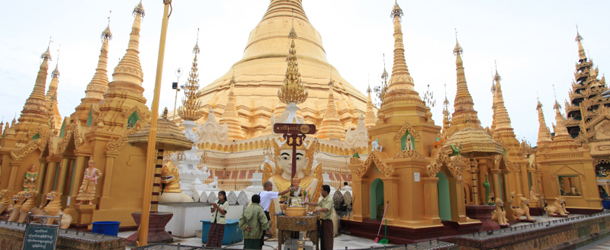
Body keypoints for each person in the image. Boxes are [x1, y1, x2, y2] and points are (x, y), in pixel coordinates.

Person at [259, 181, 296, 245]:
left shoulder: (260, 193)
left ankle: (260, 241)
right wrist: (290, 189)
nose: (272, 187)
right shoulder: (268, 193)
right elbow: (281, 193)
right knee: (263, 228)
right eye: (271, 186)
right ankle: (260, 242)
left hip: (260, 212)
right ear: (267, 187)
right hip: (264, 213)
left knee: (260, 228)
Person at [304, 185, 334, 250]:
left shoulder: (329, 200)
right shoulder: (323, 199)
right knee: (323, 239)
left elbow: (326, 209)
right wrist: (307, 203)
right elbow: (317, 204)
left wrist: (317, 211)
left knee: (327, 239)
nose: (321, 192)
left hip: (328, 222)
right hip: (323, 221)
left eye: (322, 190)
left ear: (325, 191)